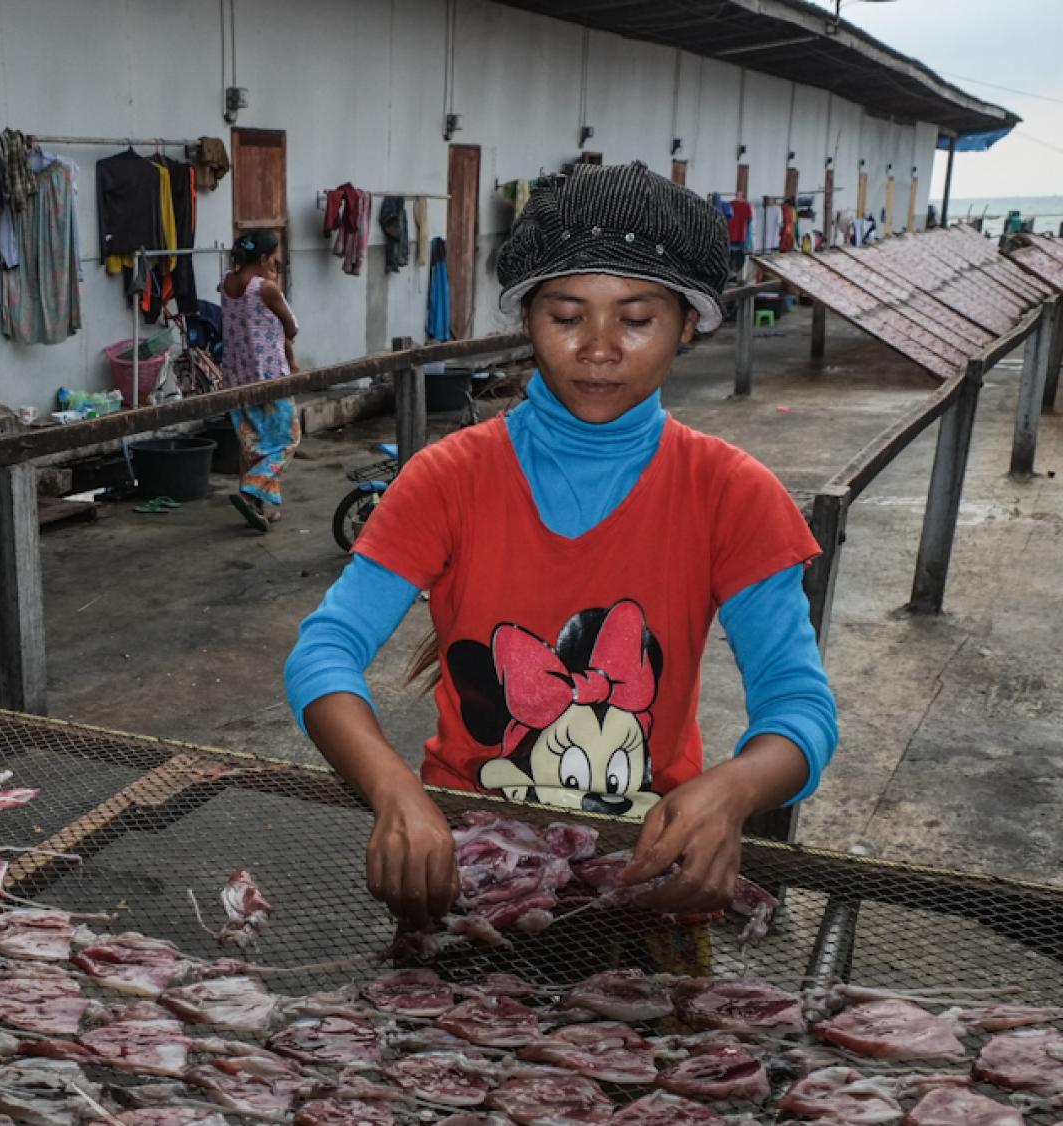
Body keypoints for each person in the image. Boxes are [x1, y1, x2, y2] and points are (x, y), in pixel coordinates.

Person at [284, 162, 838, 928]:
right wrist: (396, 793)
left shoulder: (730, 493)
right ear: (528, 321)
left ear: (688, 324)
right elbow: (324, 653)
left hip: (650, 858)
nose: (599, 348)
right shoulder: (447, 478)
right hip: (467, 857)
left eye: (636, 318)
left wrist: (732, 791)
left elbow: (799, 705)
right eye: (567, 315)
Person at [219, 231, 301, 531]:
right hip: (267, 377)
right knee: (287, 440)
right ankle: (250, 489)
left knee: (252, 444)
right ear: (265, 259)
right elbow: (292, 327)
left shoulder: (227, 283)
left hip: (236, 378)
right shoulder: (266, 289)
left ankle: (258, 506)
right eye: (274, 258)